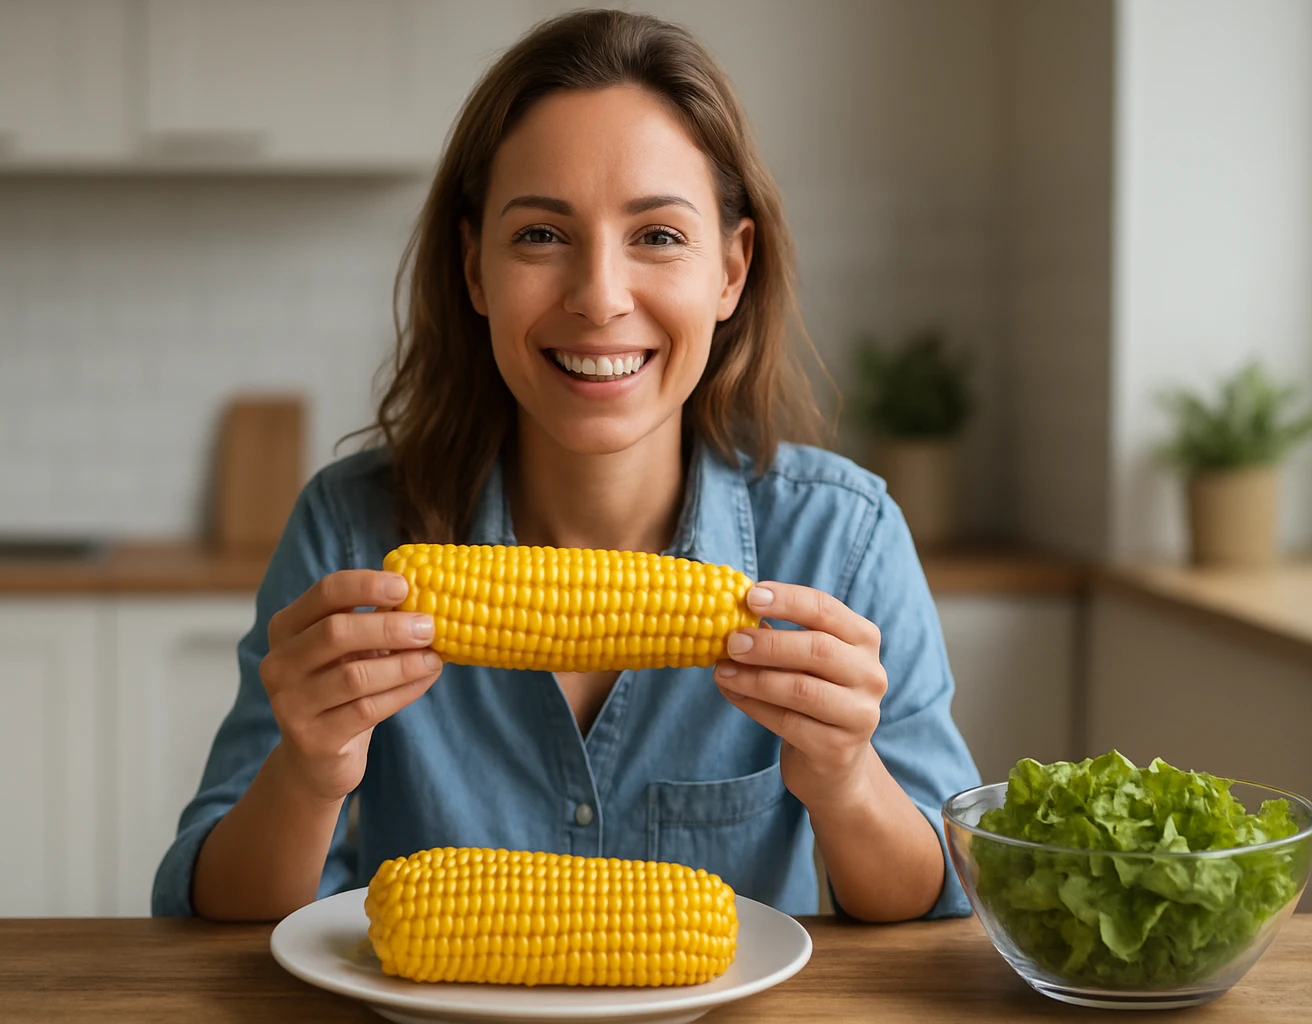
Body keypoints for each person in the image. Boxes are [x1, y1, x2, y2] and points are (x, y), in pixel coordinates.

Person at [153, 8, 979, 924]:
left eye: (658, 236)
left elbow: (939, 902)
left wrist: (847, 782)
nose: (598, 298)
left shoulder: (843, 543)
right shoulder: (353, 534)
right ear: (473, 269)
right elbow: (204, 912)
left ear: (732, 271)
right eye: (541, 236)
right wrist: (307, 777)